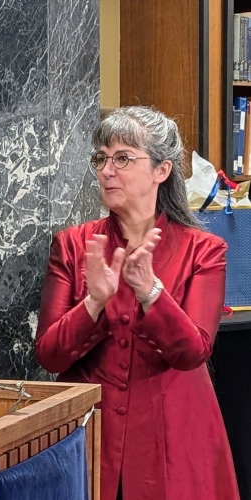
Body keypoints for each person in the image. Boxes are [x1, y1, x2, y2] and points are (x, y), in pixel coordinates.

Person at [35, 106, 239, 500]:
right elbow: (49, 355)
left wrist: (151, 292)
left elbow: (193, 351)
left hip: (175, 434)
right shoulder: (73, 244)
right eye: (101, 158)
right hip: (90, 434)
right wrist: (94, 303)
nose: (107, 170)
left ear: (161, 171)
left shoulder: (204, 250)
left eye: (123, 158)